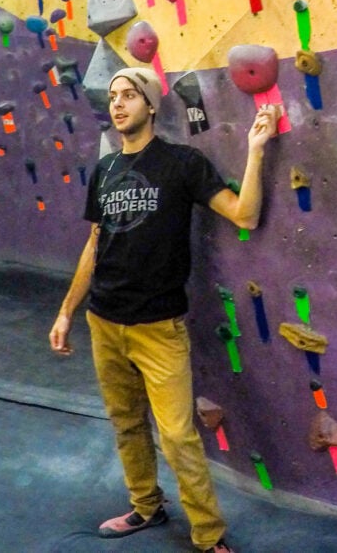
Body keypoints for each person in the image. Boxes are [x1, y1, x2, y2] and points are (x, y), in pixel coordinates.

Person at [49, 67, 282, 553]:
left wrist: (256, 152)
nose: (118, 104)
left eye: (129, 95)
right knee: (126, 422)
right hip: (104, 320)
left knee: (177, 436)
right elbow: (94, 243)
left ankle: (209, 535)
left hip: (159, 327)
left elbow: (245, 214)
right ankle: (146, 505)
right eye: (113, 96)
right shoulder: (106, 170)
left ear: (150, 106)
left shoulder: (182, 163)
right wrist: (68, 309)